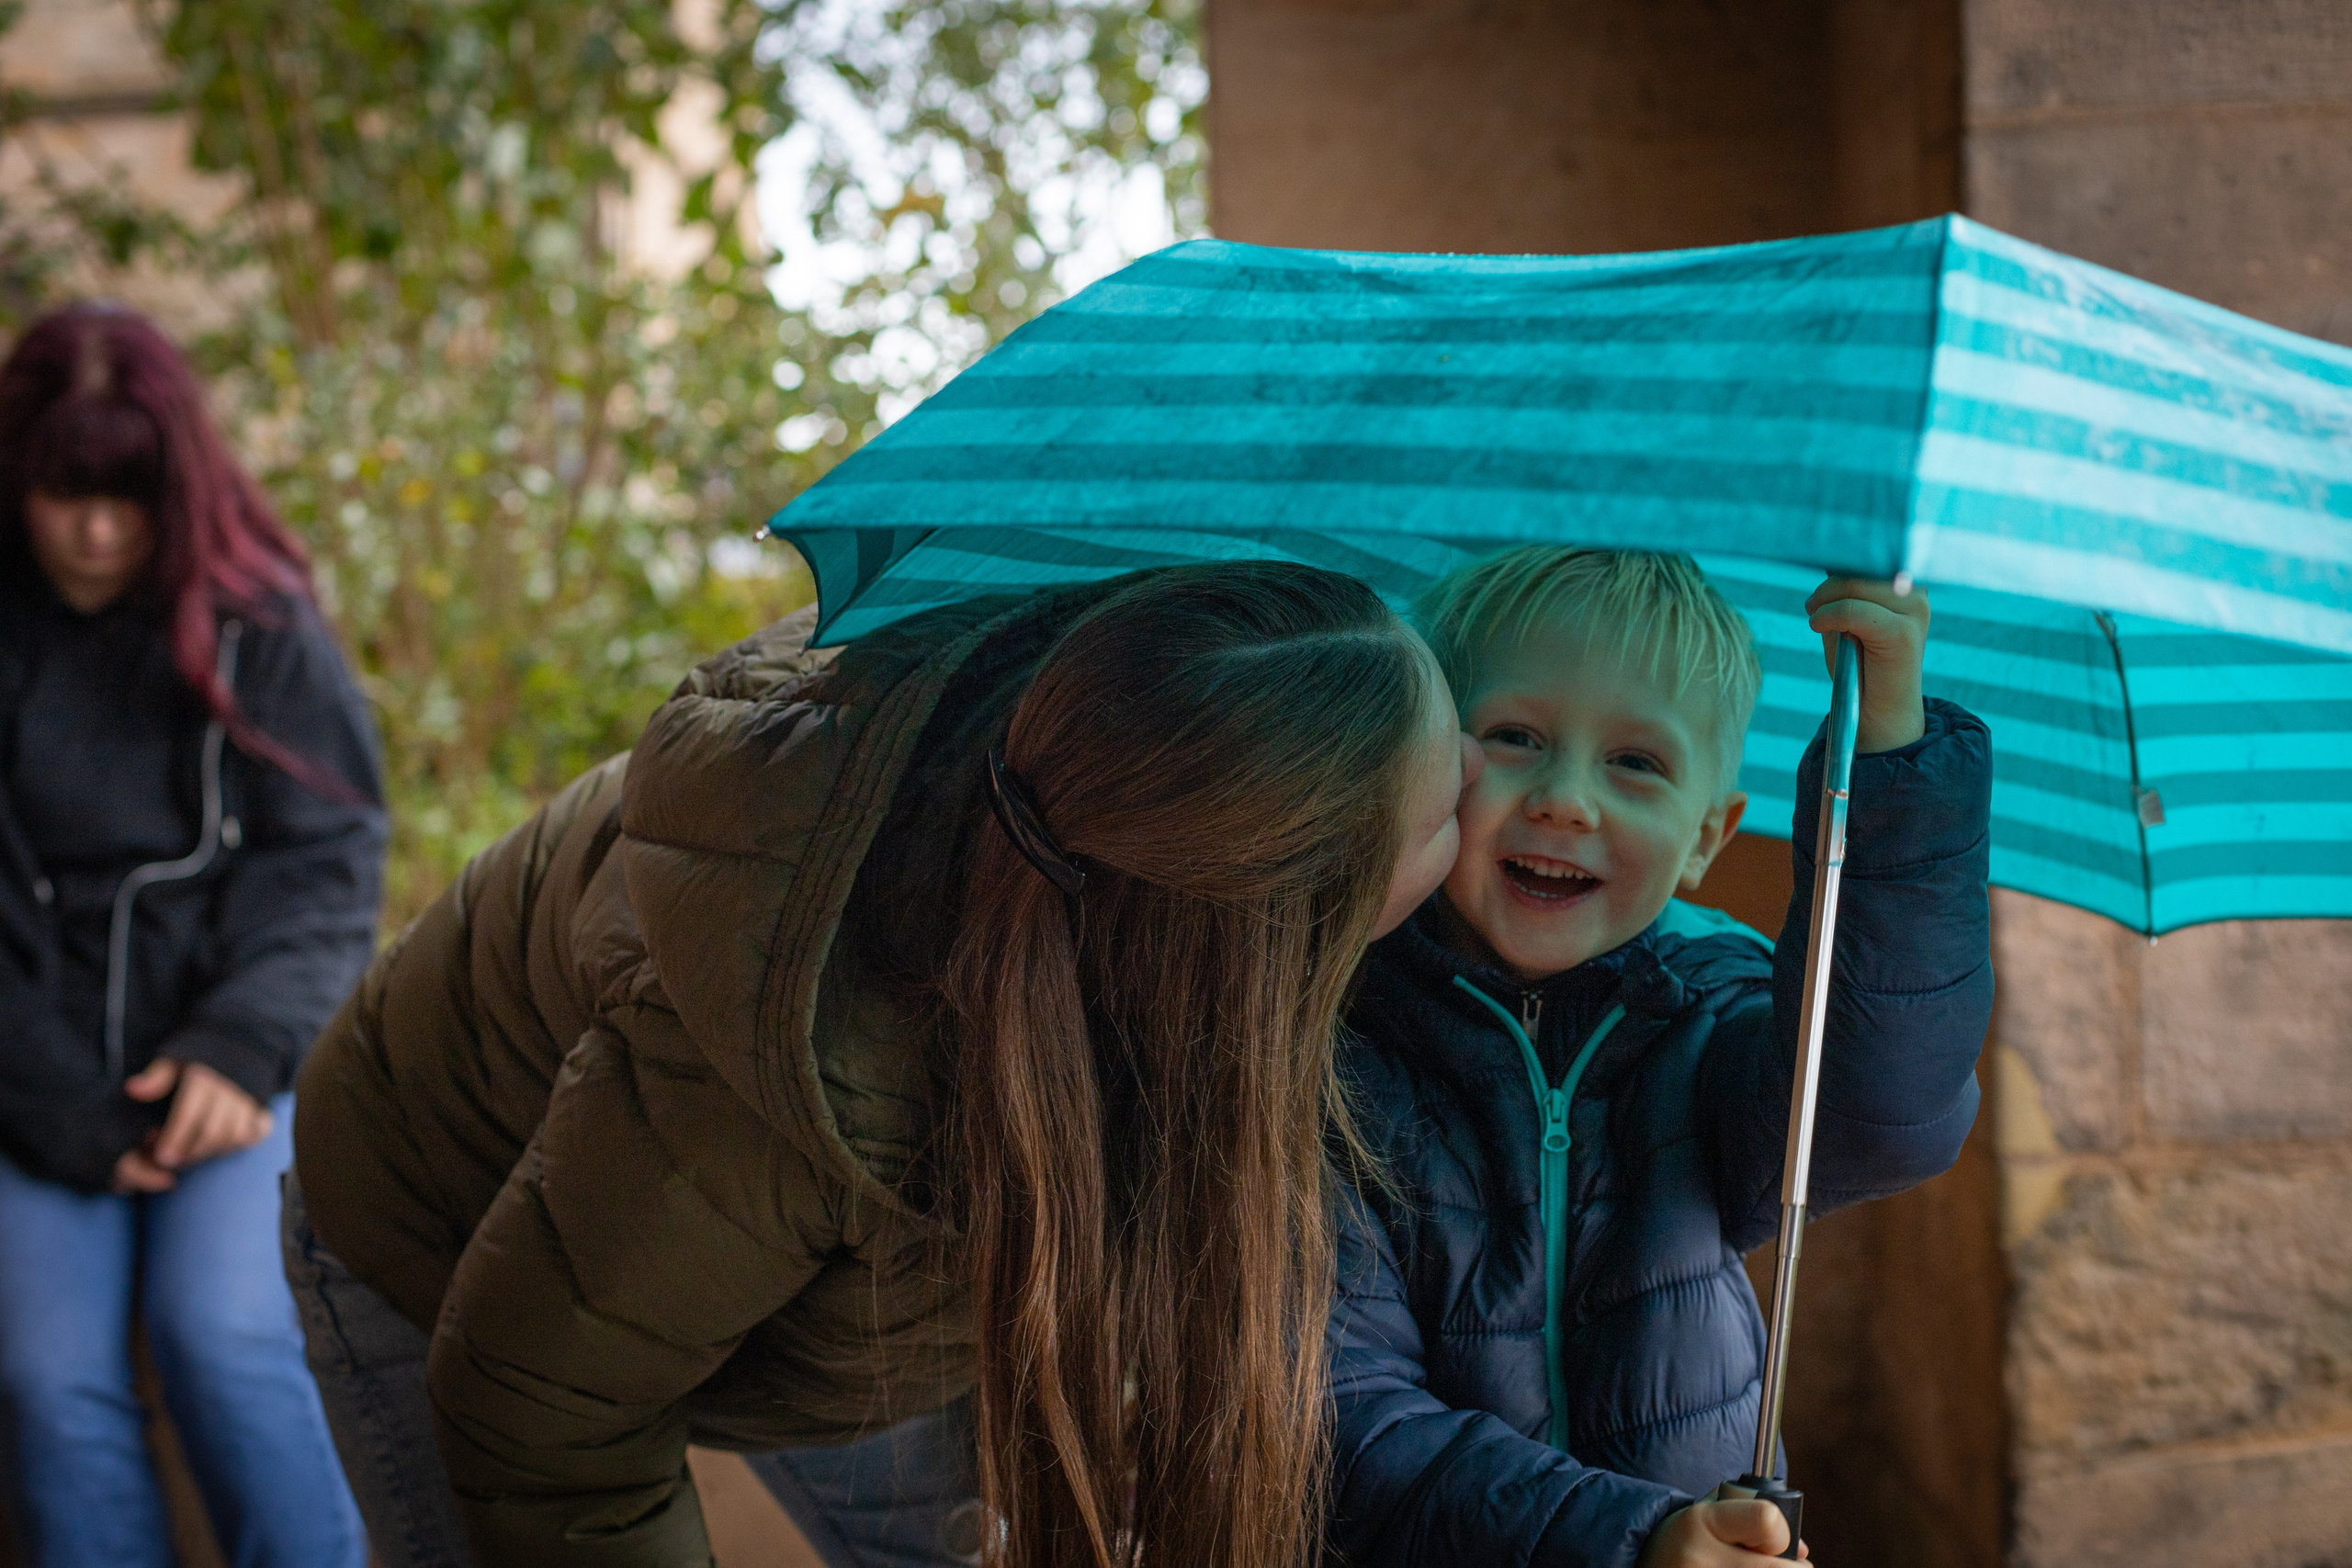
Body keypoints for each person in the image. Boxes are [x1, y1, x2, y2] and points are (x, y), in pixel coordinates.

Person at [283, 559, 1474, 1568]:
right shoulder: (806, 1072)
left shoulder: (1111, 819)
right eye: (1444, 807)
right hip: (433, 1217)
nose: (1485, 777)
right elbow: (538, 1428)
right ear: (1276, 934)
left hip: (820, 1266)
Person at [1326, 547, 1994, 1567]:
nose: (1565, 800)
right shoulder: (1335, 1043)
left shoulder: (1705, 1013)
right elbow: (1343, 1415)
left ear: (1705, 839)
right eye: (1514, 736)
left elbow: (1879, 1109)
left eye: (1635, 763)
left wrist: (1889, 750)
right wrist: (1633, 1544)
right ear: (1425, 764)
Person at [0, 304, 384, 1568]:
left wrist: (237, 1044)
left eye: (129, 495)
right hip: (32, 1088)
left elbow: (327, 857)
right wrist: (56, 1102)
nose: (100, 530)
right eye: (67, 493)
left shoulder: (258, 623)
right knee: (47, 1377)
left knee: (220, 1334)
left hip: (227, 1074)